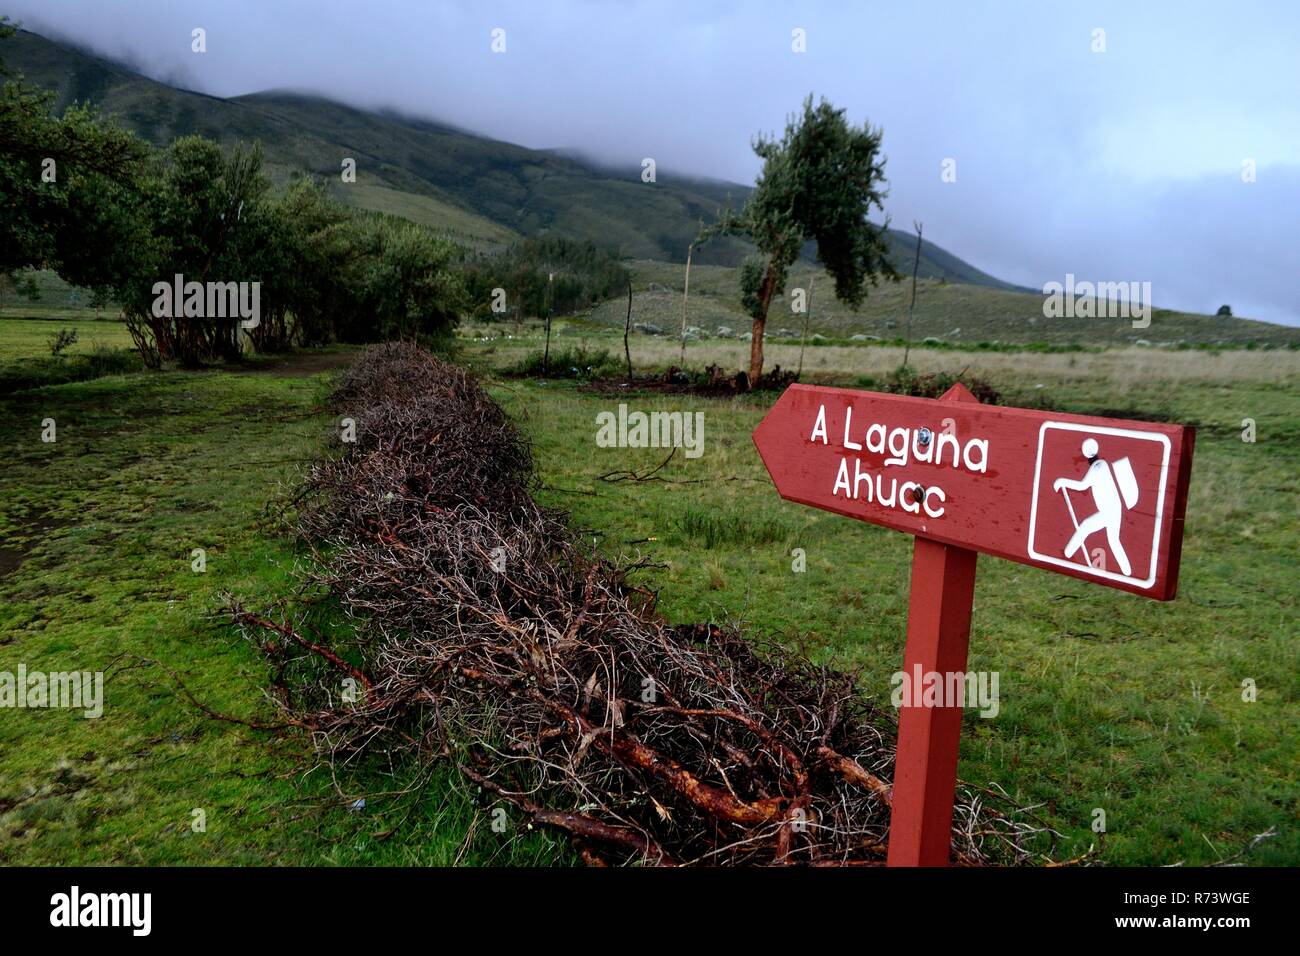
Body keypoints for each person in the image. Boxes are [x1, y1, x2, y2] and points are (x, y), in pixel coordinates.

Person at [1053, 438, 1132, 576]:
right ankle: (1128, 572)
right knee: (1113, 540)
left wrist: (1062, 482)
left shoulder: (1097, 468)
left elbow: (1082, 485)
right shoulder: (1102, 465)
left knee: (1086, 526)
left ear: (1087, 457)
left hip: (1109, 511)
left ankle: (1067, 553)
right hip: (1114, 509)